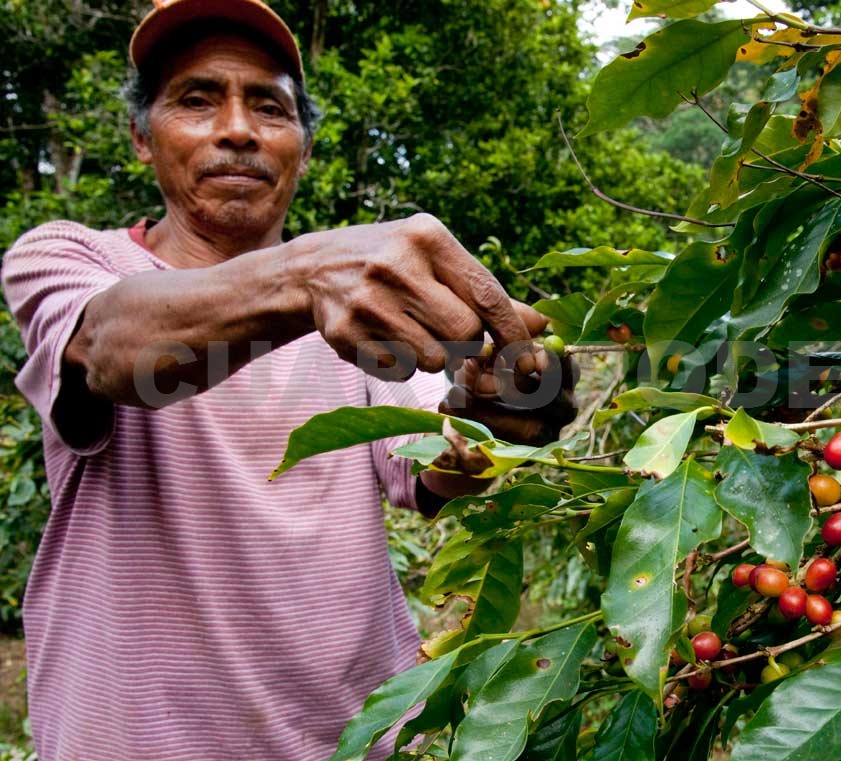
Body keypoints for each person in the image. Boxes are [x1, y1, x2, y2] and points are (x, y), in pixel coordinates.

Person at [0, 1, 574, 758]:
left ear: (301, 148)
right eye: (197, 98)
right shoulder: (74, 259)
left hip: (344, 737)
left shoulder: (360, 303)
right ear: (142, 138)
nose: (237, 128)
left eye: (268, 106)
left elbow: (436, 462)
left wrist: (500, 412)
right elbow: (111, 349)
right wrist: (309, 277)